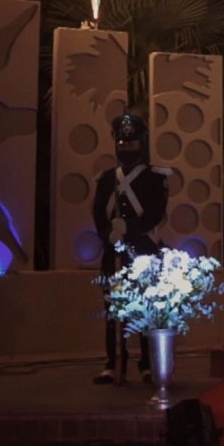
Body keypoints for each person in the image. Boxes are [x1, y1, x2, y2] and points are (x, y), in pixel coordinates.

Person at [92, 112, 169, 385]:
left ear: (142, 143)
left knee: (146, 308)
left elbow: (156, 213)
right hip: (114, 251)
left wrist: (130, 228)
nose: (126, 148)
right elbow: (98, 213)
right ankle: (113, 363)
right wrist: (108, 234)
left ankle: (147, 363)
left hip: (143, 249)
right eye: (122, 143)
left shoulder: (154, 178)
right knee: (114, 308)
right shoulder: (106, 179)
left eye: (132, 142)